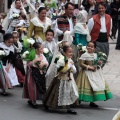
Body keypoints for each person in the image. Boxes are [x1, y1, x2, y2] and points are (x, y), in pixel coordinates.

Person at [43, 45, 78, 114]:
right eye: (69, 52)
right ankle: (48, 104)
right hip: (61, 79)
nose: (71, 53)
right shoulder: (61, 60)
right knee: (57, 92)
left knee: (69, 92)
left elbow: (74, 71)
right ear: (64, 53)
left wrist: (72, 67)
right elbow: (61, 70)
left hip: (69, 79)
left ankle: (69, 107)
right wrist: (69, 66)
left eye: (72, 52)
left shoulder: (70, 60)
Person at [76, 41, 113, 107]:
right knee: (85, 86)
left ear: (94, 48)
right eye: (88, 46)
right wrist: (88, 67)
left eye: (92, 47)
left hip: (95, 73)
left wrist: (99, 64)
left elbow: (98, 64)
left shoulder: (96, 55)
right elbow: (81, 64)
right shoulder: (84, 55)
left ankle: (92, 101)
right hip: (86, 73)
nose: (90, 47)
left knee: (93, 87)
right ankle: (78, 100)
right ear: (86, 47)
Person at [23, 42, 48, 108]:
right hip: (32, 74)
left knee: (41, 87)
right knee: (32, 87)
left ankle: (43, 100)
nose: (42, 50)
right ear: (36, 49)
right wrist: (35, 61)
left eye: (43, 48)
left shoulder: (42, 55)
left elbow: (46, 62)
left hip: (40, 73)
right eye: (41, 48)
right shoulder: (32, 55)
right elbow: (29, 64)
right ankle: (32, 100)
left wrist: (44, 64)